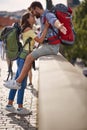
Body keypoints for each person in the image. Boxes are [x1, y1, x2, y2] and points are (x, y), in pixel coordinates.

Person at [4, 1, 67, 90]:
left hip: (51, 47)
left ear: (37, 8)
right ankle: (17, 81)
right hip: (47, 45)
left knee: (29, 57)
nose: (33, 14)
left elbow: (54, 20)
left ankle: (17, 83)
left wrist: (60, 25)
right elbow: (41, 36)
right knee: (29, 58)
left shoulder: (47, 14)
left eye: (33, 12)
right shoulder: (42, 18)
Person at [5, 11, 48, 115]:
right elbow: (41, 40)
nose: (34, 17)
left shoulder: (27, 29)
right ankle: (19, 107)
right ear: (28, 19)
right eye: (32, 16)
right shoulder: (28, 30)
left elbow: (34, 42)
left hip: (22, 57)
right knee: (21, 83)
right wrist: (46, 27)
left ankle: (10, 105)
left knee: (17, 82)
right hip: (24, 58)